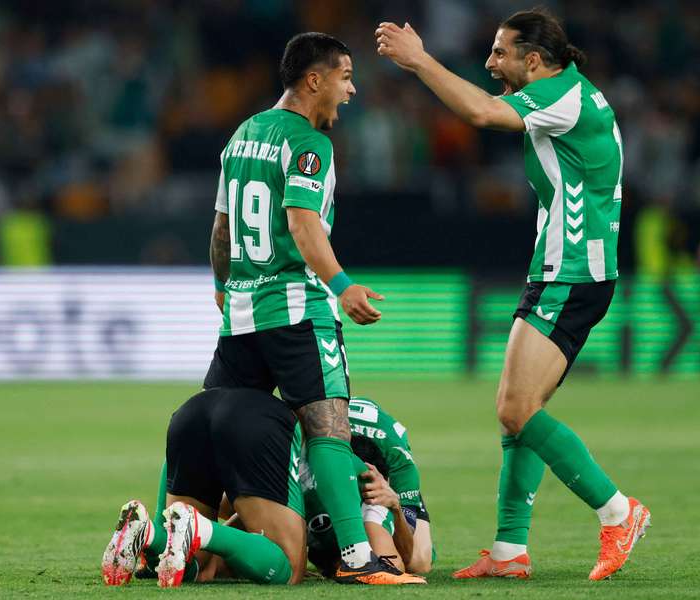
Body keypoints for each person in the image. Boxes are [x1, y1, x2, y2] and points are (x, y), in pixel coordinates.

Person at [376, 7, 650, 581]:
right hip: (564, 270)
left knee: (515, 408)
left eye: (499, 53)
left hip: (571, 272)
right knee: (519, 414)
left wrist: (420, 60)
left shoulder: (562, 96)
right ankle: (508, 554)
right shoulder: (570, 95)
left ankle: (618, 512)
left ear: (533, 60)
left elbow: (480, 110)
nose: (489, 62)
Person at [203, 32, 418, 585]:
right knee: (328, 428)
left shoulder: (243, 134)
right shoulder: (308, 144)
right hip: (298, 312)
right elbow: (302, 224)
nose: (351, 90)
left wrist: (225, 286)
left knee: (217, 430)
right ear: (314, 80)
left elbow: (222, 228)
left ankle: (181, 544)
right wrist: (343, 285)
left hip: (242, 318)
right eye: (345, 77)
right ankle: (355, 557)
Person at [100, 387, 306, 586]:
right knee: (289, 568)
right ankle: (198, 527)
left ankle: (147, 533)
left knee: (200, 566)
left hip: (193, 410)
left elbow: (235, 506)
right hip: (257, 421)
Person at [304, 397, 434, 576]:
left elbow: (406, 553)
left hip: (385, 462)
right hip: (326, 444)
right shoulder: (313, 450)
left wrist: (395, 507)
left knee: (418, 563)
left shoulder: (401, 466)